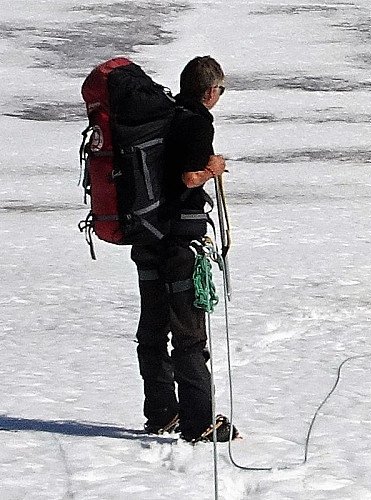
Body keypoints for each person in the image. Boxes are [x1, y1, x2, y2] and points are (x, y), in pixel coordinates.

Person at [131, 56, 237, 442]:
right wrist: (214, 169)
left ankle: (161, 414)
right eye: (220, 90)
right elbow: (190, 176)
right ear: (210, 91)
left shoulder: (164, 117)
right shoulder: (196, 121)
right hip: (180, 242)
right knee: (189, 334)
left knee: (153, 328)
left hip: (147, 235)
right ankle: (199, 422)